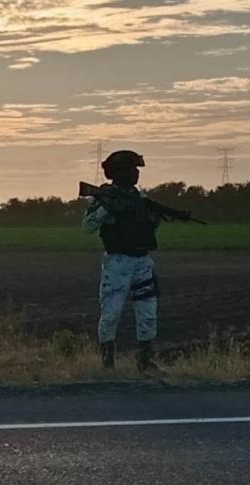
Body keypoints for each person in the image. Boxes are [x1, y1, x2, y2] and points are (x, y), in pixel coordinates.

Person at [82, 150, 192, 374]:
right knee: (111, 314)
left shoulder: (141, 200)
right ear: (118, 173)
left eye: (136, 170)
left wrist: (154, 218)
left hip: (142, 262)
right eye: (131, 170)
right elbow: (87, 226)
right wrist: (107, 208)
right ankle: (108, 364)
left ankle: (145, 362)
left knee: (148, 314)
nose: (135, 174)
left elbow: (147, 227)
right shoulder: (105, 198)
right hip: (117, 263)